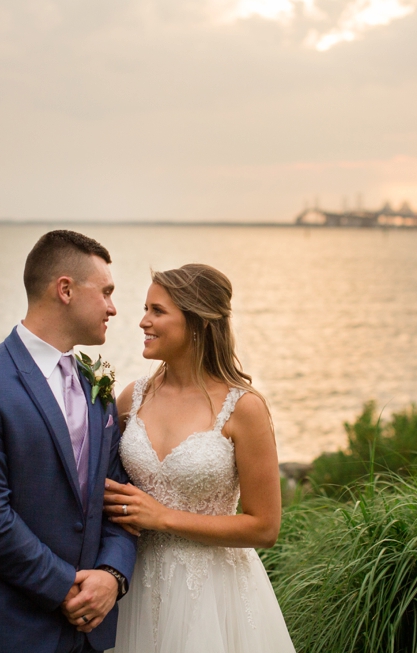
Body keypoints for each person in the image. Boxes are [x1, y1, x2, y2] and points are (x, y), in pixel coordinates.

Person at [0, 230, 137, 653]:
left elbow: (119, 501)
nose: (114, 308)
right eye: (106, 292)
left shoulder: (96, 388)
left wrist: (112, 577)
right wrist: (66, 589)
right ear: (65, 289)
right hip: (0, 630)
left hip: (84, 637)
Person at [103, 264, 296, 653]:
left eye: (157, 311)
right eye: (145, 309)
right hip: (136, 588)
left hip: (213, 594)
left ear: (197, 322)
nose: (143, 321)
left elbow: (264, 528)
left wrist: (163, 517)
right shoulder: (131, 398)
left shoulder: (243, 408)